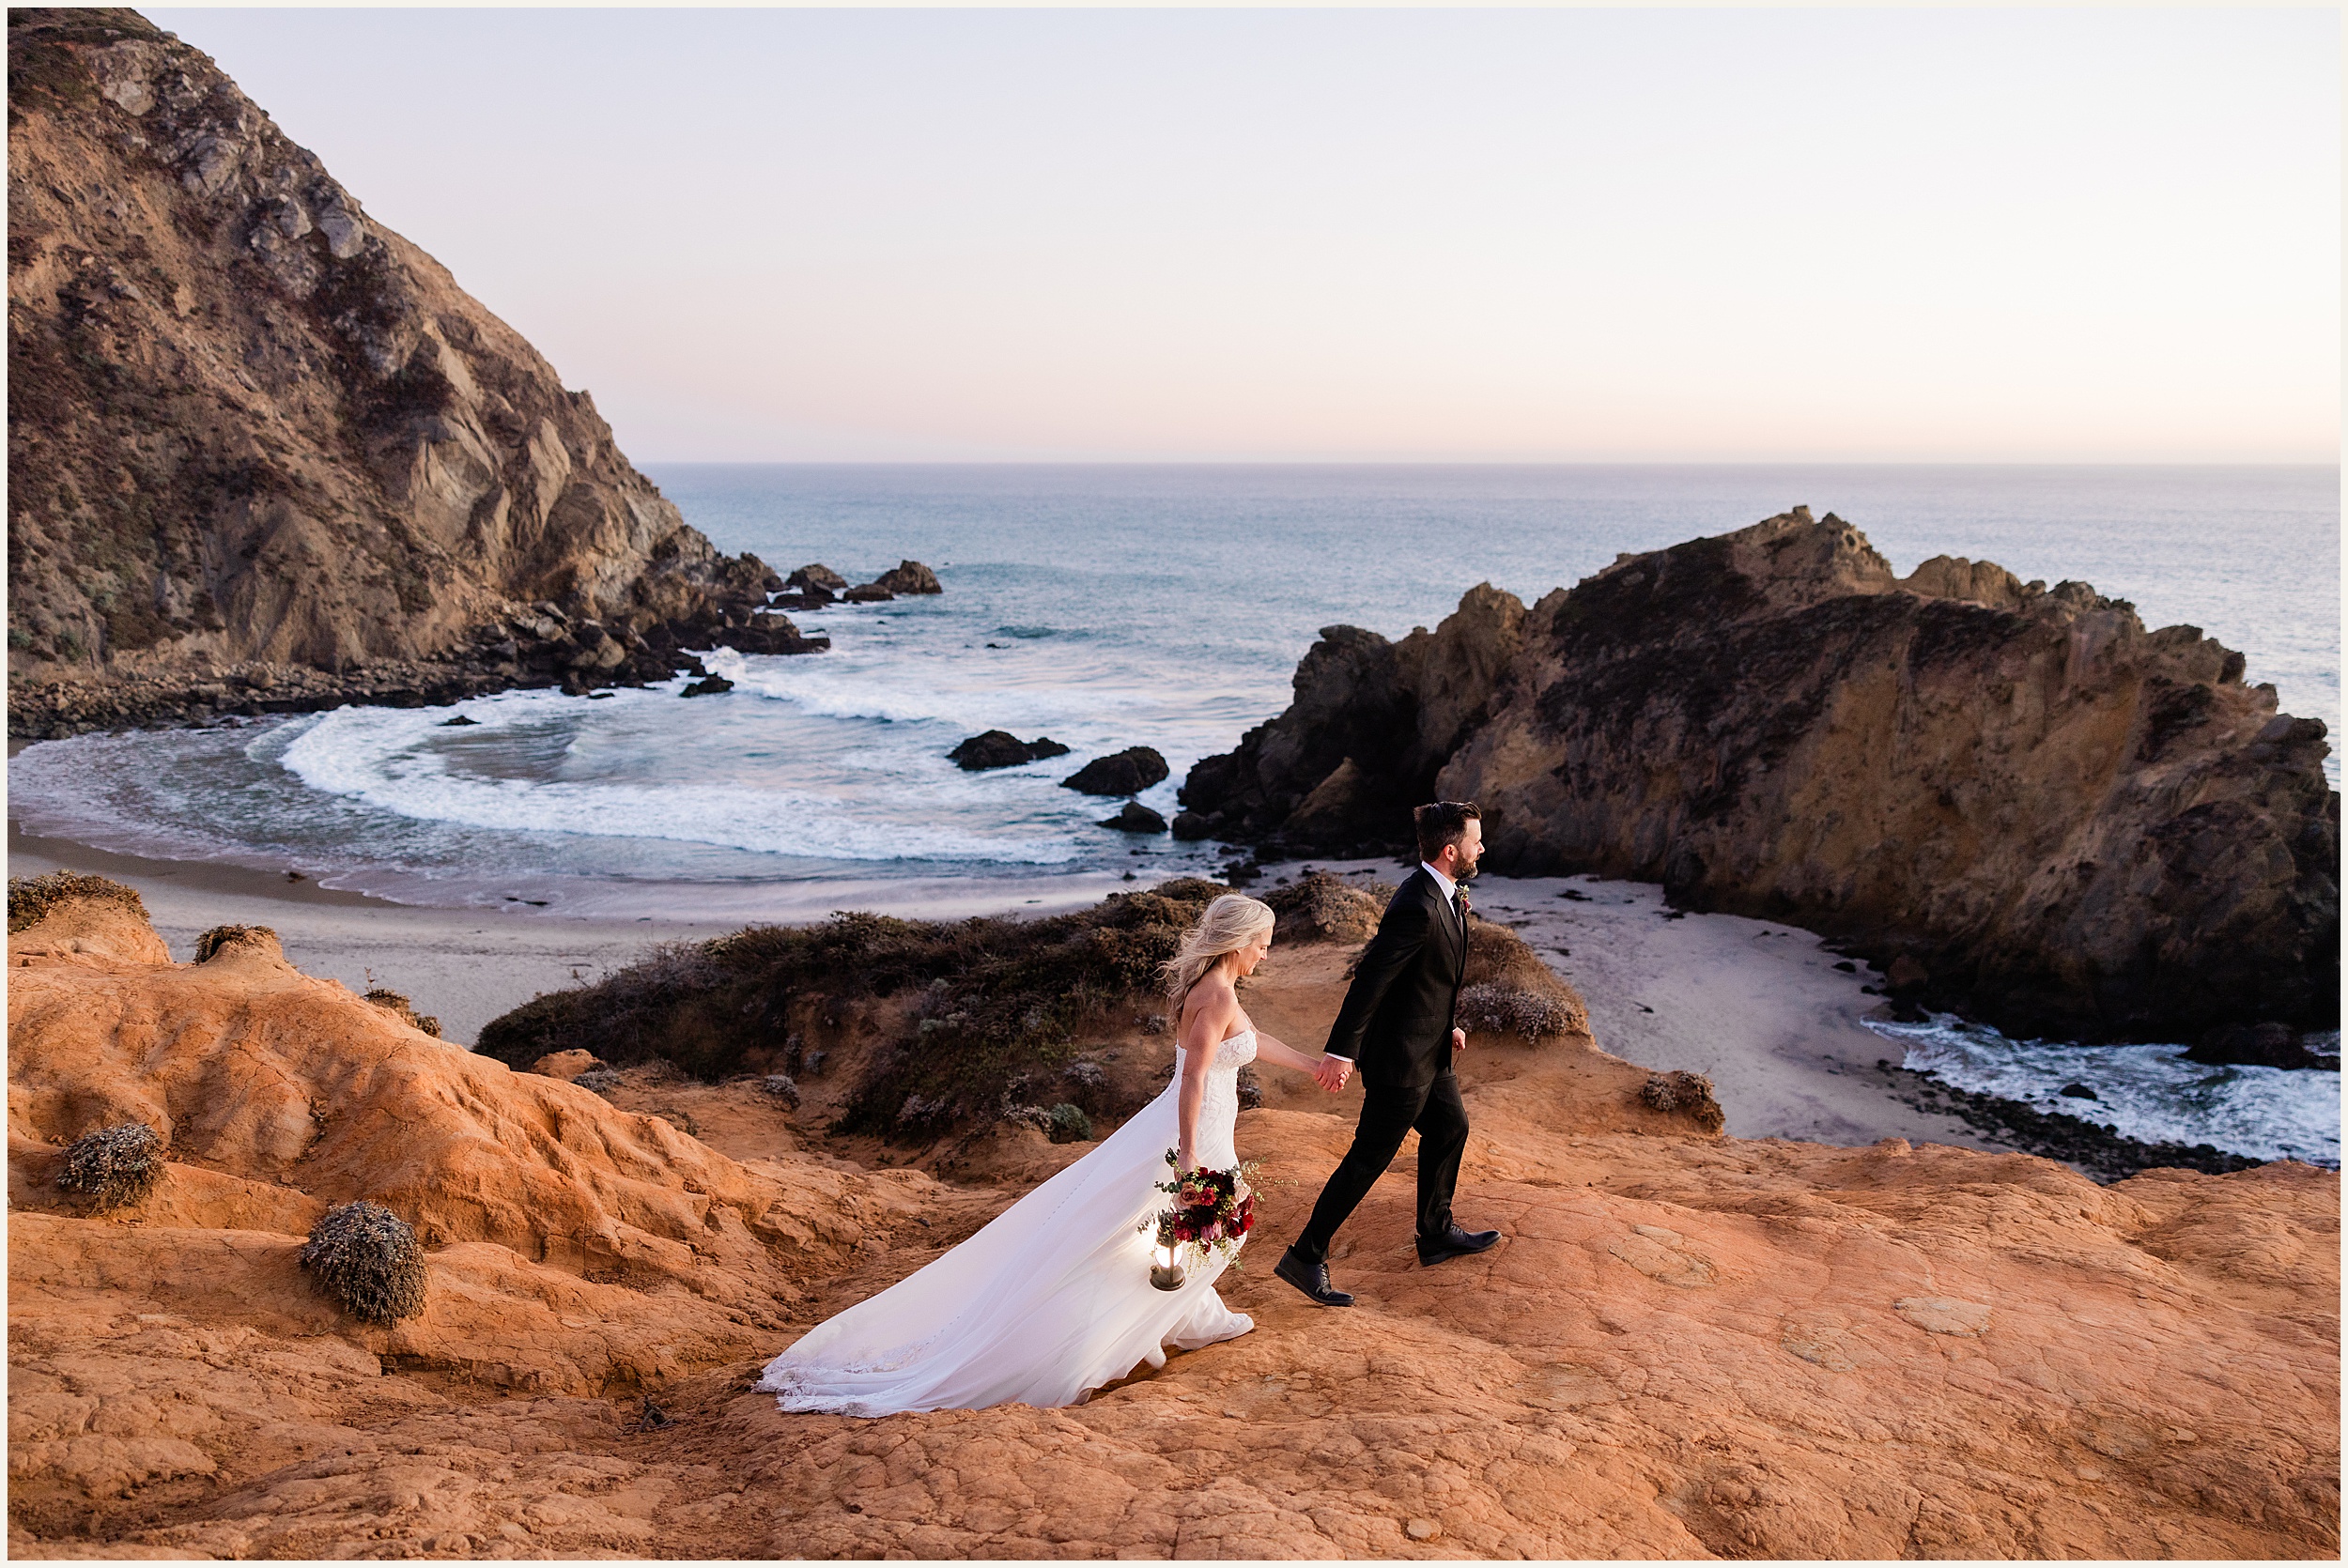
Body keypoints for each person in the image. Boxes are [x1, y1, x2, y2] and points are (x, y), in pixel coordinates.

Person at [757, 892, 1330, 1414]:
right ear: (1240, 941)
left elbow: (1249, 1044)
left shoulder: (1221, 991)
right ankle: (1104, 1335)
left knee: (1175, 1228)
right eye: (1263, 943)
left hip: (1208, 1126)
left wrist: (1313, 1064)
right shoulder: (1217, 993)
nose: (1265, 953)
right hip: (1194, 1128)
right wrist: (1185, 1157)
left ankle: (1190, 1315)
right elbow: (1193, 1081)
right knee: (1188, 1226)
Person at [1274, 801, 1502, 1307]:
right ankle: (1305, 1255)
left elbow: (1424, 979)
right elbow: (1370, 983)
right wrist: (1340, 1052)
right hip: (1399, 1062)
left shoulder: (1445, 895)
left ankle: (1436, 1232)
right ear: (1450, 851)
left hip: (1430, 1049)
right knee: (1369, 1158)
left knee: (1449, 1128)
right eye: (1475, 841)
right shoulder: (1415, 905)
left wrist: (1449, 1025)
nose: (1481, 848)